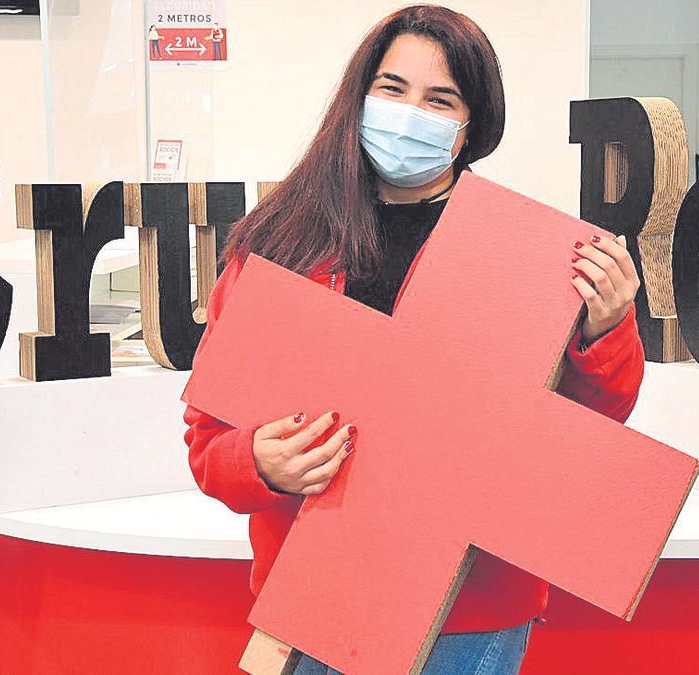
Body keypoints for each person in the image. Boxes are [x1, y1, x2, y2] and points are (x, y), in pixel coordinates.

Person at [182, 5, 645, 673]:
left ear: (468, 126)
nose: (409, 114)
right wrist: (258, 459)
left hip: (469, 611)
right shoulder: (281, 244)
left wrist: (604, 327)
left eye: (440, 99)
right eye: (393, 89)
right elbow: (207, 441)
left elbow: (587, 433)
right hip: (315, 598)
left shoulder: (528, 257)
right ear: (360, 94)